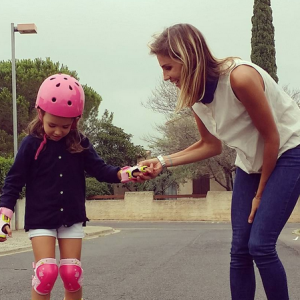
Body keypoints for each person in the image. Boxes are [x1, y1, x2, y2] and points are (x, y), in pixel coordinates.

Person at [138, 24, 300, 300]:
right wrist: (162, 161)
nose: (165, 77)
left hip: (288, 152)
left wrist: (261, 194)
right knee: (239, 249)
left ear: (187, 58)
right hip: (251, 161)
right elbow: (210, 145)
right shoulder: (195, 95)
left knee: (260, 245)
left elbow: (272, 138)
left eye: (168, 68)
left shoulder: (240, 78)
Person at [0, 73, 146, 300]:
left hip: (71, 215)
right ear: (40, 114)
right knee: (45, 274)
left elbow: (101, 169)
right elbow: (14, 180)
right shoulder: (31, 144)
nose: (58, 131)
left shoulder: (80, 142)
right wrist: (4, 215)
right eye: (52, 125)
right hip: (41, 217)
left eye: (65, 126)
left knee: (72, 274)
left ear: (75, 122)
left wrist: (125, 173)